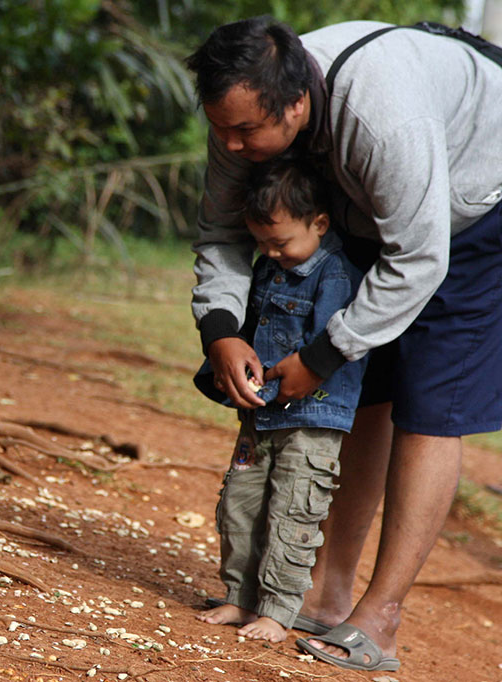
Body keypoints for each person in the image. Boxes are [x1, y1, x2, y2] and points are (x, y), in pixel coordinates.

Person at [185, 16, 502, 672]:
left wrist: (322, 356)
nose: (230, 144)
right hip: (374, 202)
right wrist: (221, 334)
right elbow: (220, 233)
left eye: (244, 131)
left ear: (296, 104)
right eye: (221, 127)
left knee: (429, 398)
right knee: (368, 388)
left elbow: (419, 257)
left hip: (474, 200)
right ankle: (326, 594)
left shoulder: (385, 120)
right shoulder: (245, 115)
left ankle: (381, 619)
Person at [192, 158, 367, 644]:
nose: (270, 253)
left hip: (313, 418)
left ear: (320, 224)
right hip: (259, 415)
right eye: (261, 244)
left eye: (281, 242)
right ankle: (239, 596)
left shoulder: (336, 275)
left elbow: (332, 345)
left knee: (294, 510)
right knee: (240, 505)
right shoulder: (270, 264)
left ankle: (278, 608)